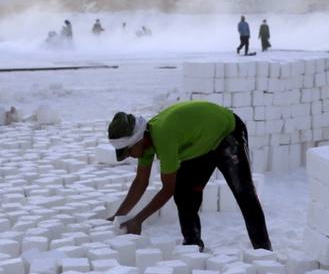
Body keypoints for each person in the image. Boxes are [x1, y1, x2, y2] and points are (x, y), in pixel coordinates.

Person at [106, 101, 271, 251]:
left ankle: (263, 250)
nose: (129, 156)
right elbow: (140, 182)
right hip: (200, 143)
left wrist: (138, 220)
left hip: (227, 133)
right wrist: (118, 216)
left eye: (128, 151)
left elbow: (167, 190)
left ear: (137, 140)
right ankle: (192, 247)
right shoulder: (145, 144)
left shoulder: (163, 136)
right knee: (184, 193)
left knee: (243, 191)